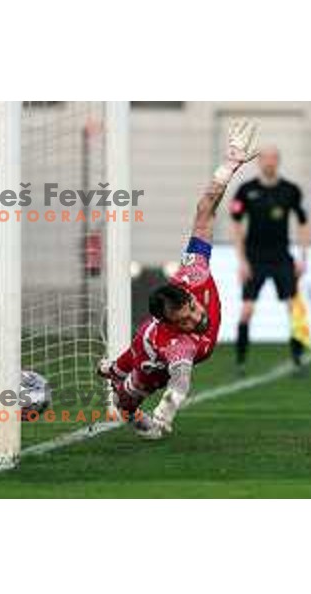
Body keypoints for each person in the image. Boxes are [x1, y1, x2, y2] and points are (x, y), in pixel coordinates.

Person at [98, 120, 259, 438]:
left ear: (189, 296)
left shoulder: (194, 273)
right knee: (125, 399)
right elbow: (181, 379)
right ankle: (115, 375)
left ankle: (110, 369)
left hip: (148, 337)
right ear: (172, 323)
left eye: (193, 310)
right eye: (184, 321)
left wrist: (229, 166)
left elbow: (204, 211)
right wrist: (167, 408)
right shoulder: (176, 344)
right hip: (150, 357)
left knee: (116, 369)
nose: (195, 320)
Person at [230, 146, 310, 376]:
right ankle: (240, 363)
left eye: (274, 158)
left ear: (279, 161)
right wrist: (242, 261)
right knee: (246, 310)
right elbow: (236, 225)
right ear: (259, 162)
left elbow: (303, 223)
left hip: (282, 258)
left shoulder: (290, 191)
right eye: (265, 158)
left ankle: (298, 359)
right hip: (254, 260)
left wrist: (303, 256)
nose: (269, 162)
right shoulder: (246, 191)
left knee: (295, 309)